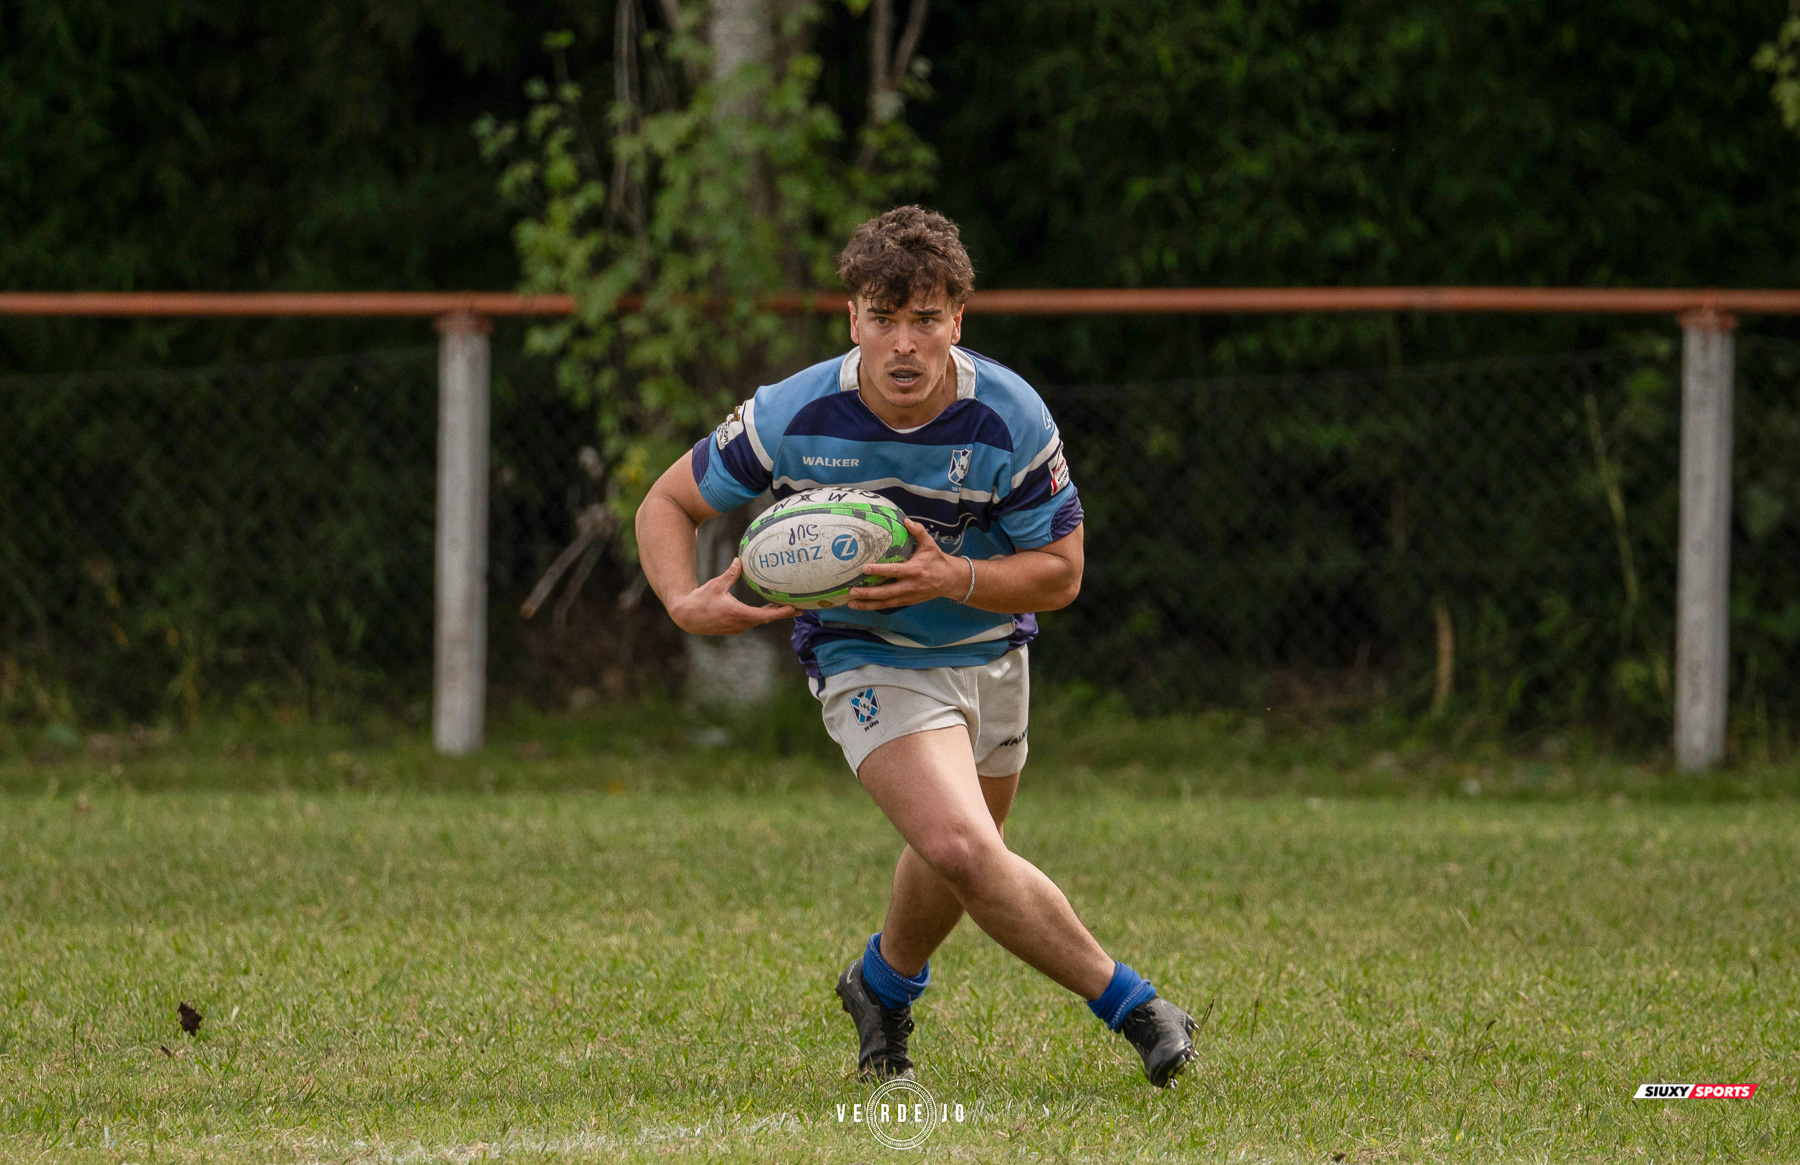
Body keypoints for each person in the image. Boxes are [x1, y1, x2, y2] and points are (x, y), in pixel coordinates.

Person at [634, 206, 1198, 1087]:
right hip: (866, 655)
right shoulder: (791, 413)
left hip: (990, 653)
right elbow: (667, 503)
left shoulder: (1008, 415)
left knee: (960, 854)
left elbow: (1062, 573)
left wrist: (952, 576)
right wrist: (681, 599)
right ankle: (1137, 1006)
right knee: (964, 847)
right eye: (883, 317)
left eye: (926, 319)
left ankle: (881, 984)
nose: (904, 343)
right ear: (852, 319)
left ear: (957, 321)